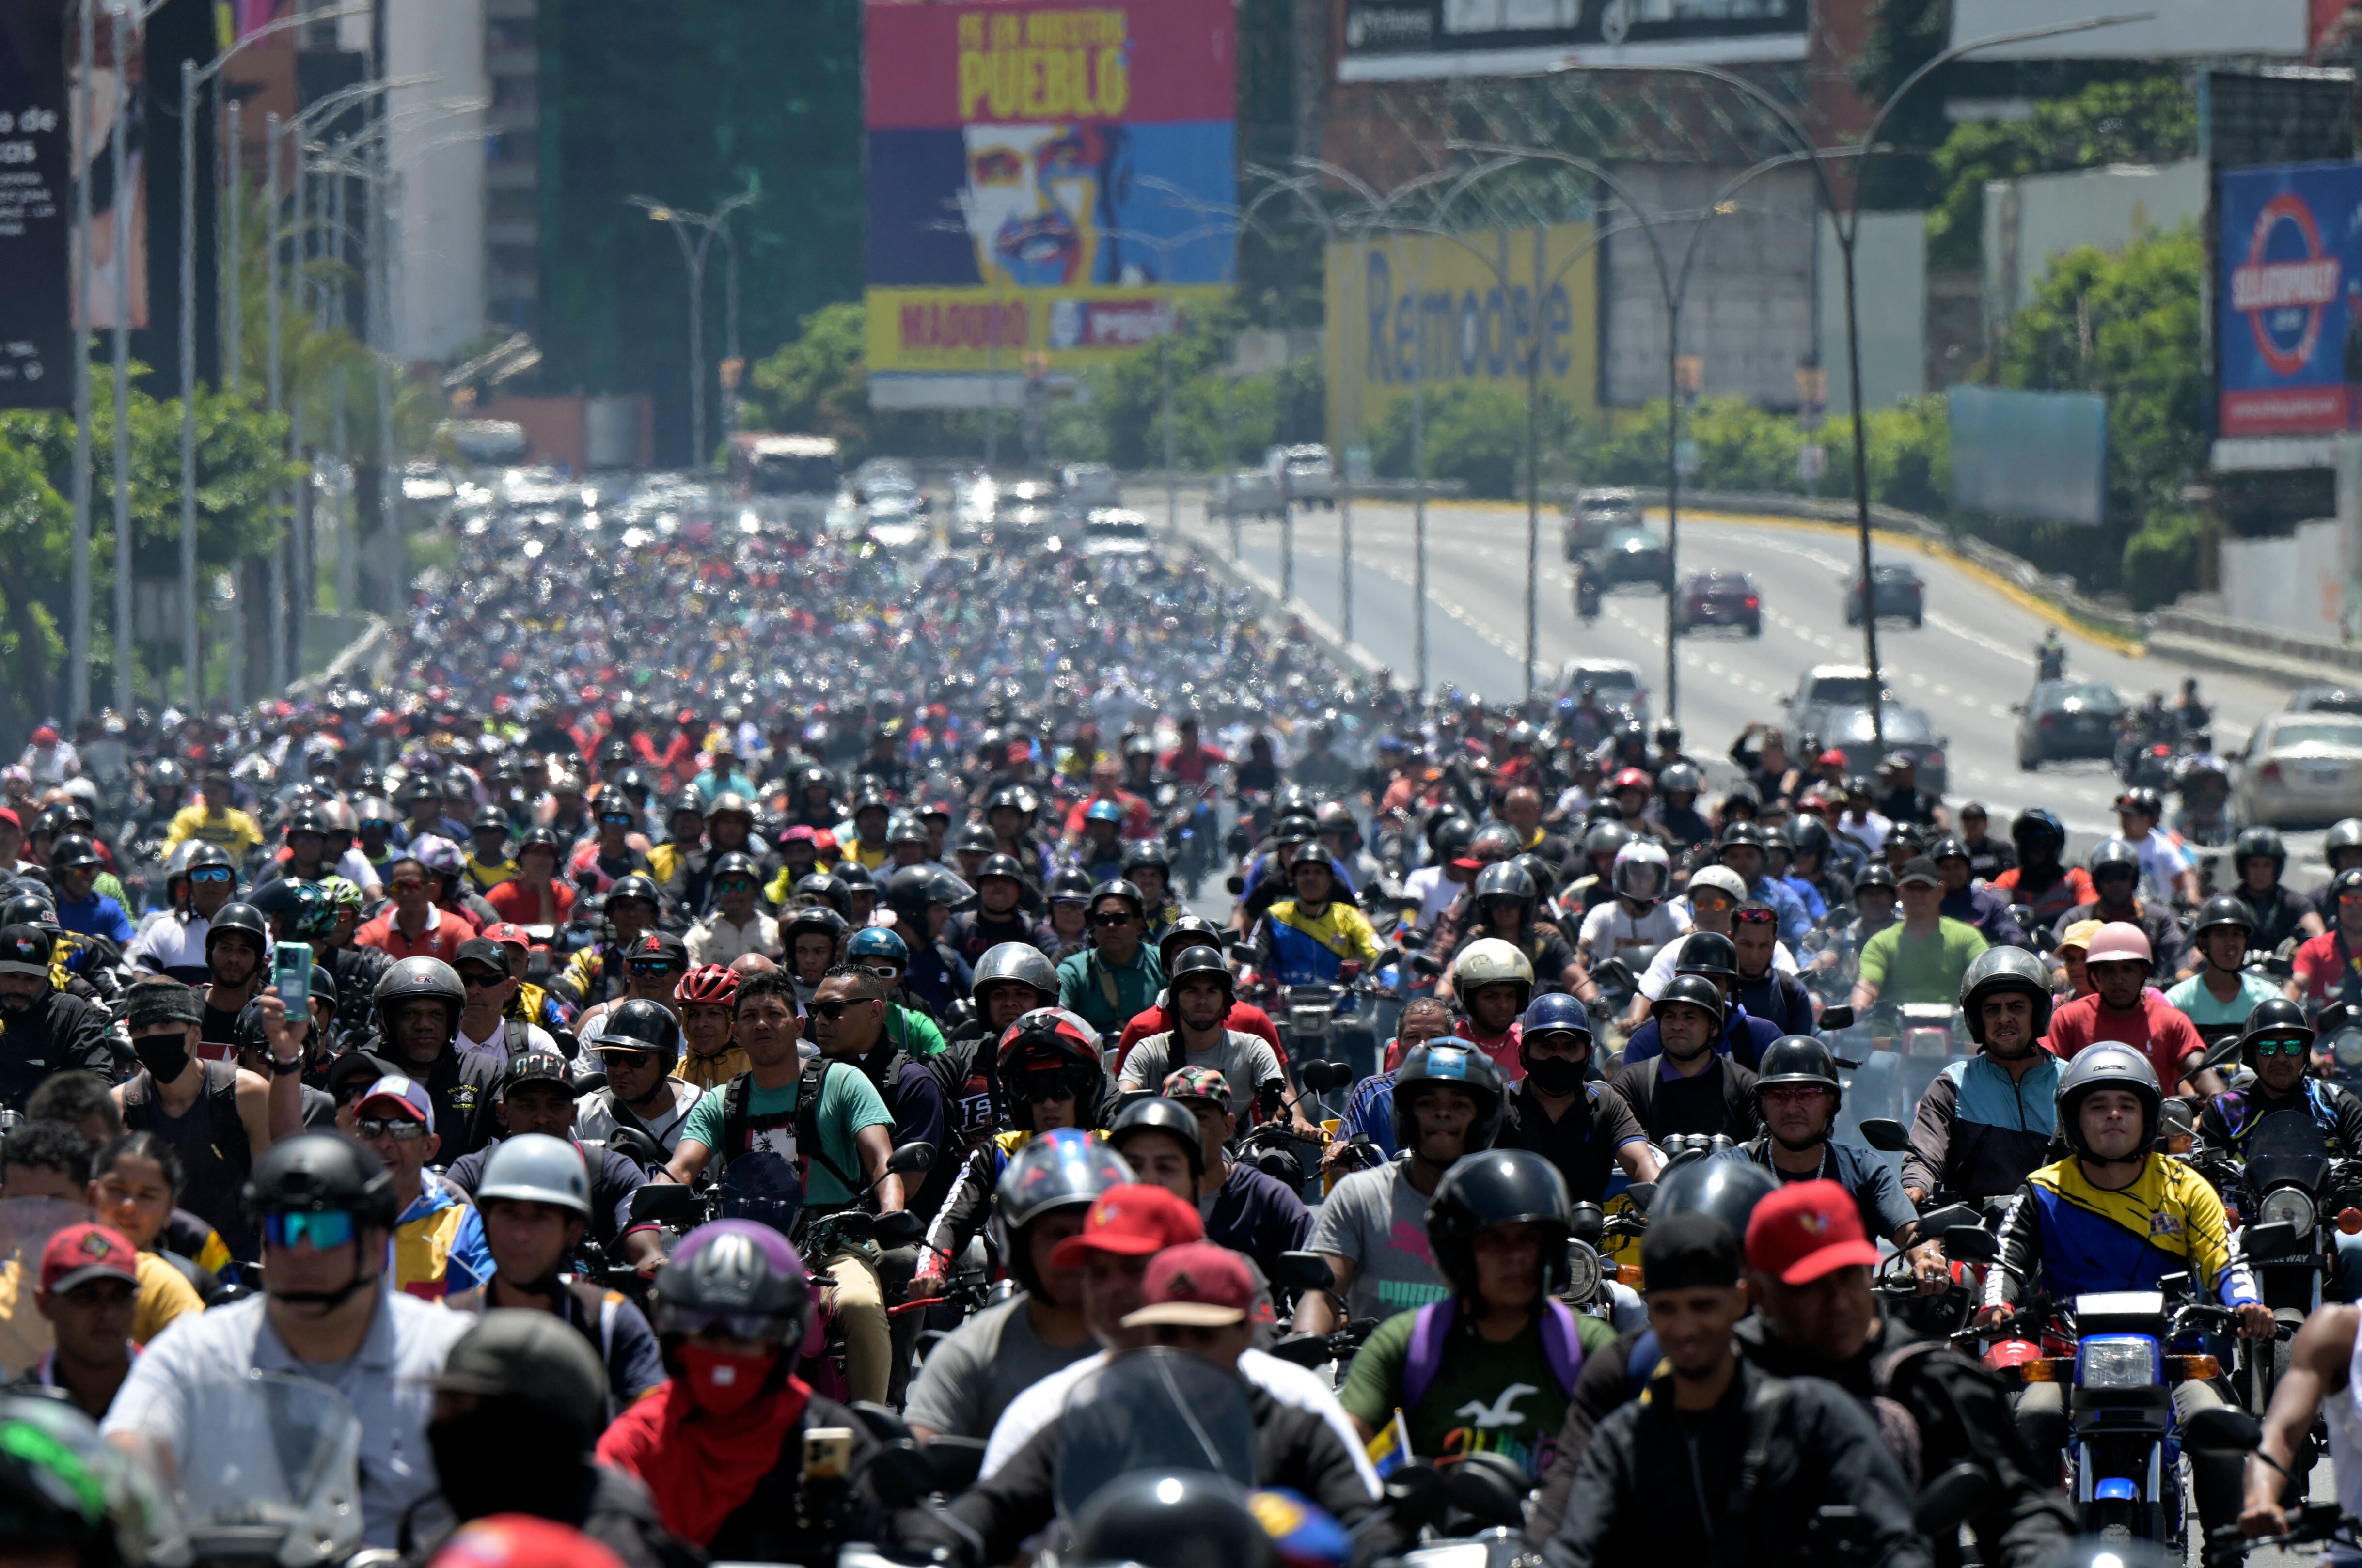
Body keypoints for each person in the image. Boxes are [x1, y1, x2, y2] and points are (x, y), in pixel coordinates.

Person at [899, 1238, 1382, 1568]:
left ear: (1243, 1334)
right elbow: (995, 1505)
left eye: (1204, 1333)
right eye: (1168, 1333)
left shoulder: (1296, 1428)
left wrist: (1375, 1545)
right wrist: (933, 1538)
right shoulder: (1094, 1424)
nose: (1185, 1349)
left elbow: (1363, 1522)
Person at [101, 1132, 476, 1548]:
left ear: (375, 1245)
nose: (303, 1250)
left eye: (326, 1229)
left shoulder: (448, 1357)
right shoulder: (194, 1351)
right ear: (264, 1242)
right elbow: (122, 1463)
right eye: (285, 1228)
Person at [1976, 1045, 2268, 1545]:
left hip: (2173, 1352)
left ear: (2147, 1115)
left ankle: (2224, 1553)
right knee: (2032, 1415)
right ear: (2073, 1118)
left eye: (2125, 1104)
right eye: (2097, 1104)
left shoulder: (2185, 1185)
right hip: (2066, 1353)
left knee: (2213, 1423)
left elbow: (2225, 1255)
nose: (2112, 1114)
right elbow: (2006, 1261)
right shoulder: (2042, 1188)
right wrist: (1996, 1303)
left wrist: (2243, 1301)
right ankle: (2031, 1543)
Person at [1537, 1209, 1931, 1568]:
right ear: (1650, 1314)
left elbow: (1897, 1544)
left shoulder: (1815, 1417)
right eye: (1668, 1309)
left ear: (1740, 1301)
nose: (1686, 1328)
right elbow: (1572, 1550)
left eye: (1703, 1306)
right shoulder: (1623, 1442)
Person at [665, 968, 900, 1407]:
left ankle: (872, 1424)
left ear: (797, 1026)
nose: (760, 1024)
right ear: (736, 1032)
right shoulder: (721, 1101)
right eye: (749, 1016)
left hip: (833, 1244)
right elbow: (682, 1167)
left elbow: (880, 1159)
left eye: (773, 1014)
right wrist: (648, 1204)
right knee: (669, 1297)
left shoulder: (843, 1082)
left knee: (862, 1307)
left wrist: (890, 1210)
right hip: (745, 1251)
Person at [597, 1221, 889, 1561]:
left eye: (747, 1335)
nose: (725, 1354)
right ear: (676, 1339)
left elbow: (900, 1519)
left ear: (782, 1342)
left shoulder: (826, 1437)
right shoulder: (638, 1441)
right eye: (706, 1334)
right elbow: (596, 1526)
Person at [1337, 1149, 1620, 1478]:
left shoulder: (1588, 1345)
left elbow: (1632, 1460)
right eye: (1493, 1242)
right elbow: (1341, 1449)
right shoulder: (1404, 1343)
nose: (1514, 1257)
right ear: (1458, 1254)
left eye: (1528, 1240)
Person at [904, 1129, 1131, 1442]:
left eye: (1089, 1231)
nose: (1073, 1251)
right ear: (1020, 1245)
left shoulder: (1151, 1345)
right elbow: (924, 1453)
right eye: (1056, 1235)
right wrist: (931, 1269)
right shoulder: (969, 1355)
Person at [418, 1311, 693, 1568]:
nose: (442, 1427)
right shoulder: (459, 1532)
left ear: (537, 1425)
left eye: (464, 1409)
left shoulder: (615, 1544)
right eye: (442, 1407)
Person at [446, 1136, 666, 1414]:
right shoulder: (447, 1324)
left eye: (541, 1217)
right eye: (508, 1214)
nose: (521, 1235)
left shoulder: (611, 1323)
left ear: (573, 1231)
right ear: (484, 1220)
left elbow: (652, 1428)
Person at [1296, 1042, 1501, 1333]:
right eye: (1428, 1104)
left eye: (1459, 1105)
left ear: (1483, 1119)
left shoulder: (1505, 1202)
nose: (1442, 1114)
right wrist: (1304, 1338)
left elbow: (1541, 1303)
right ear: (1404, 1115)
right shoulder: (1360, 1196)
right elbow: (1322, 1295)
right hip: (1372, 1373)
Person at [113, 976, 301, 1262]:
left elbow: (274, 1193)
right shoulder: (120, 1107)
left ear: (195, 1034)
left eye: (166, 1025)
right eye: (142, 1029)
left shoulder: (245, 1094)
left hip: (237, 1271)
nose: (153, 1036)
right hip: (151, 1274)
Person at [2197, 999, 2362, 1298]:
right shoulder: (2223, 1111)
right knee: (2210, 1256)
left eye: (2293, 1048)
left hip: (2327, 1221)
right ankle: (2209, 1346)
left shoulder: (2337, 1101)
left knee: (2357, 1248)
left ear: (2305, 1055)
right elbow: (2201, 1167)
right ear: (2252, 1055)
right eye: (2269, 1048)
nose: (2281, 1057)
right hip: (2245, 1224)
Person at [1730, 1036, 1930, 1266]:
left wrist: (1927, 1258)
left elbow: (1911, 1232)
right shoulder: (1732, 1171)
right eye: (1778, 1094)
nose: (1793, 1107)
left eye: (1808, 1094)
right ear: (1762, 1103)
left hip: (1847, 1302)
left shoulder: (1865, 1170)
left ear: (1831, 1102)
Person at [1903, 946, 2068, 1207]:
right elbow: (1925, 1152)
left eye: (2016, 1007)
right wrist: (1915, 1186)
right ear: (1977, 1020)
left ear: (2038, 1014)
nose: (2004, 1018)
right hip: (1975, 1232)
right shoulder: (1952, 1086)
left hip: (2058, 1226)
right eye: (1992, 1010)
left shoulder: (2070, 1083)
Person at [1496, 994, 1660, 1202]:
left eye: (1570, 1047)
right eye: (1546, 1046)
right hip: (1512, 1231)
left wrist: (1661, 1196)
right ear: (1523, 1053)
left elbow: (1640, 1164)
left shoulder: (1606, 1104)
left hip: (1588, 1232)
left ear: (1588, 1054)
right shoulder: (1498, 1104)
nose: (1558, 1057)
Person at [1118, 946, 1301, 1129]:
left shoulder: (1253, 1048)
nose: (1202, 1001)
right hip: (1164, 1151)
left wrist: (1297, 1121)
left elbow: (1281, 1096)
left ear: (1225, 1000)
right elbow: (1123, 1097)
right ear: (1175, 1000)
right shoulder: (1148, 1050)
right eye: (1192, 991)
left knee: (1278, 1157)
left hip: (1241, 1154)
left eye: (1212, 991)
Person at [352, 1074, 492, 1302]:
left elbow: (494, 1304)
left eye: (402, 1128)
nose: (385, 1142)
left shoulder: (463, 1226)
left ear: (430, 1147)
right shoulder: (336, 1219)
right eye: (372, 1127)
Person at [2042, 921, 2215, 1097]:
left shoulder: (2172, 1022)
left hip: (2158, 1123)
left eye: (2127, 969)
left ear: (2143, 972)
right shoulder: (2069, 1018)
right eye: (2109, 971)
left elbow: (2201, 1073)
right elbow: (2044, 1075)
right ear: (2096, 975)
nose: (2119, 979)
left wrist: (2222, 1098)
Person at [369, 956, 505, 1160]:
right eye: (410, 1014)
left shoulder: (484, 1074)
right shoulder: (363, 1072)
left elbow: (521, 1136)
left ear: (453, 1021)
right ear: (387, 1020)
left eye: (436, 1014)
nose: (424, 1024)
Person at [80, 1136, 209, 1340]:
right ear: (92, 1195)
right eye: (116, 1190)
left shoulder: (196, 1284)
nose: (129, 1206)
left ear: (169, 1210)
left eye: (147, 1196)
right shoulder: (60, 1267)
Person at [1606, 975, 1760, 1144]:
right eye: (1669, 1017)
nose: (1677, 1025)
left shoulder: (1745, 1085)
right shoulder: (1632, 1082)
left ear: (1714, 1028)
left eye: (1690, 1017)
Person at [16, 1222, 142, 1419]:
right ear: (44, 1304)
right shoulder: (15, 1413)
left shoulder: (175, 1398)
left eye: (120, 1297)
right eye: (86, 1297)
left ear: (136, 1301)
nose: (107, 1314)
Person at [1848, 856, 1987, 1012]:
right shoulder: (1880, 943)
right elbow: (1868, 984)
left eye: (1925, 888)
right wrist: (1857, 1009)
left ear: (1941, 891)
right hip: (1892, 1035)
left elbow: (1986, 977)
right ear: (1900, 893)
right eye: (1911, 888)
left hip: (1957, 1033)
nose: (1918, 895)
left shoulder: (1967, 937)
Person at [0, 925, 113, 1111]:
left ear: (49, 972)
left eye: (31, 979)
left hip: (51, 1133)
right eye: (11, 976)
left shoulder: (71, 1014)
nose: (20, 988)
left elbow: (100, 1082)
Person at [577, 999, 703, 1155]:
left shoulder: (704, 1113)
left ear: (667, 1062)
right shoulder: (583, 1114)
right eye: (612, 1057)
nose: (621, 1069)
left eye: (636, 1059)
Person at [2055, 838, 2186, 979]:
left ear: (2135, 879)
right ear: (2097, 882)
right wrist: (2059, 969)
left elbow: (2179, 950)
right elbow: (2052, 948)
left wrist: (2184, 971)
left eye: (2122, 875)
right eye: (2108, 876)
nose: (2116, 883)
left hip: (2151, 994)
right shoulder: (2077, 918)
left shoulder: (2158, 918)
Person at [2165, 895, 2282, 1034]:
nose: (2231, 943)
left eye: (2237, 934)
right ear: (2204, 943)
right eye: (2221, 934)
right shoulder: (2180, 999)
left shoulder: (2268, 997)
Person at [452, 937, 561, 1062]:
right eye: (466, 979)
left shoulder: (534, 1044)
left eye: (488, 980)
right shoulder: (437, 1045)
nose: (474, 990)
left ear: (509, 988)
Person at [356, 854, 477, 964]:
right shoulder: (372, 932)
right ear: (392, 893)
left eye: (413, 886)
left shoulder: (456, 929)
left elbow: (473, 967)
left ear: (431, 890)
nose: (405, 893)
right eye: (398, 887)